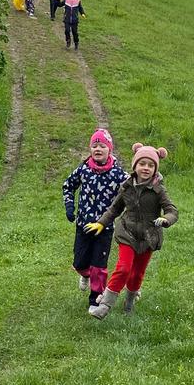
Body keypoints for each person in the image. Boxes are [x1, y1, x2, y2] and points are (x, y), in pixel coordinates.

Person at [85, 143, 178, 320]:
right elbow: (115, 209)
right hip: (127, 232)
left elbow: (172, 210)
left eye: (151, 165)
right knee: (124, 268)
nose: (146, 168)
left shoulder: (158, 189)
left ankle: (129, 303)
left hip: (148, 237)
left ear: (155, 169)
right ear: (135, 165)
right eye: (142, 163)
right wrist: (101, 223)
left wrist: (166, 219)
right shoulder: (127, 186)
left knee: (137, 274)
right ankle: (104, 306)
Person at [62, 129, 128, 312]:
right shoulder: (84, 169)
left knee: (99, 266)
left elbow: (133, 188)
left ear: (110, 150)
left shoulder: (118, 174)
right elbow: (68, 186)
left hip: (104, 228)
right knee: (80, 263)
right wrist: (69, 206)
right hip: (83, 225)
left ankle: (95, 300)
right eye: (94, 145)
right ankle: (85, 275)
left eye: (102, 146)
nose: (98, 149)